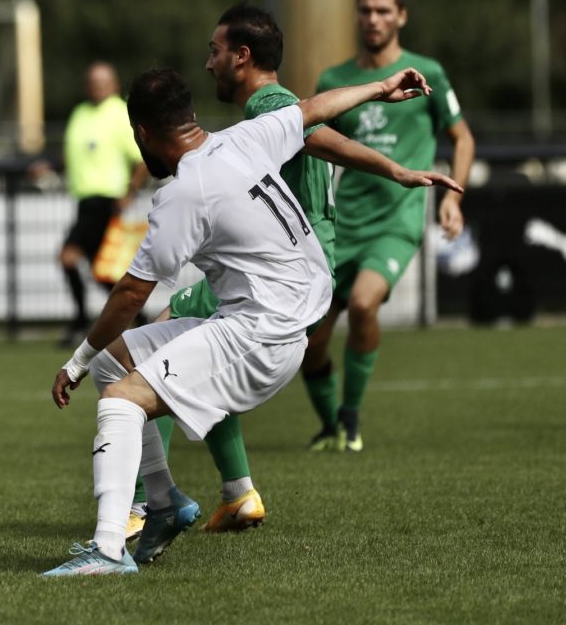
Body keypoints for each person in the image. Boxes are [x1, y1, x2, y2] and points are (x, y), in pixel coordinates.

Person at [43, 62, 435, 576]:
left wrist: (73, 361)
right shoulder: (243, 137)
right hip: (271, 315)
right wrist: (380, 88)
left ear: (141, 132)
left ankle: (108, 551)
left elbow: (130, 293)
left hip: (263, 331)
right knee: (112, 369)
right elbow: (314, 109)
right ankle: (165, 506)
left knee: (119, 399)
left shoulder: (185, 192)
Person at [130, 4, 463, 538]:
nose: (208, 62)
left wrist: (395, 171)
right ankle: (237, 495)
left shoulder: (268, 102)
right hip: (301, 267)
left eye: (215, 51)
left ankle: (146, 504)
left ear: (242, 57)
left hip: (287, 272)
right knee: (197, 355)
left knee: (159, 341)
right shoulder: (272, 106)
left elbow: (321, 136)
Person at [302, 0, 474, 452]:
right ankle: (329, 425)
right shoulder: (334, 81)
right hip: (340, 226)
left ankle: (351, 422)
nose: (373, 19)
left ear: (402, 16)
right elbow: (313, 143)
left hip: (396, 223)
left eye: (383, 10)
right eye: (365, 10)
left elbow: (462, 137)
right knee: (308, 342)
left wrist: (452, 198)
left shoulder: (428, 73)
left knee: (362, 303)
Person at [52, 61, 148, 345]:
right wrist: (49, 165)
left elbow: (140, 159)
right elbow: (71, 154)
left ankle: (81, 322)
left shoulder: (119, 114)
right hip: (84, 201)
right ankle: (135, 317)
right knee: (102, 270)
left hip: (106, 201)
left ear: (114, 84)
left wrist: (129, 192)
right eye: (92, 81)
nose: (96, 87)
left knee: (69, 258)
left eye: (102, 81)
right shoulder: (81, 113)